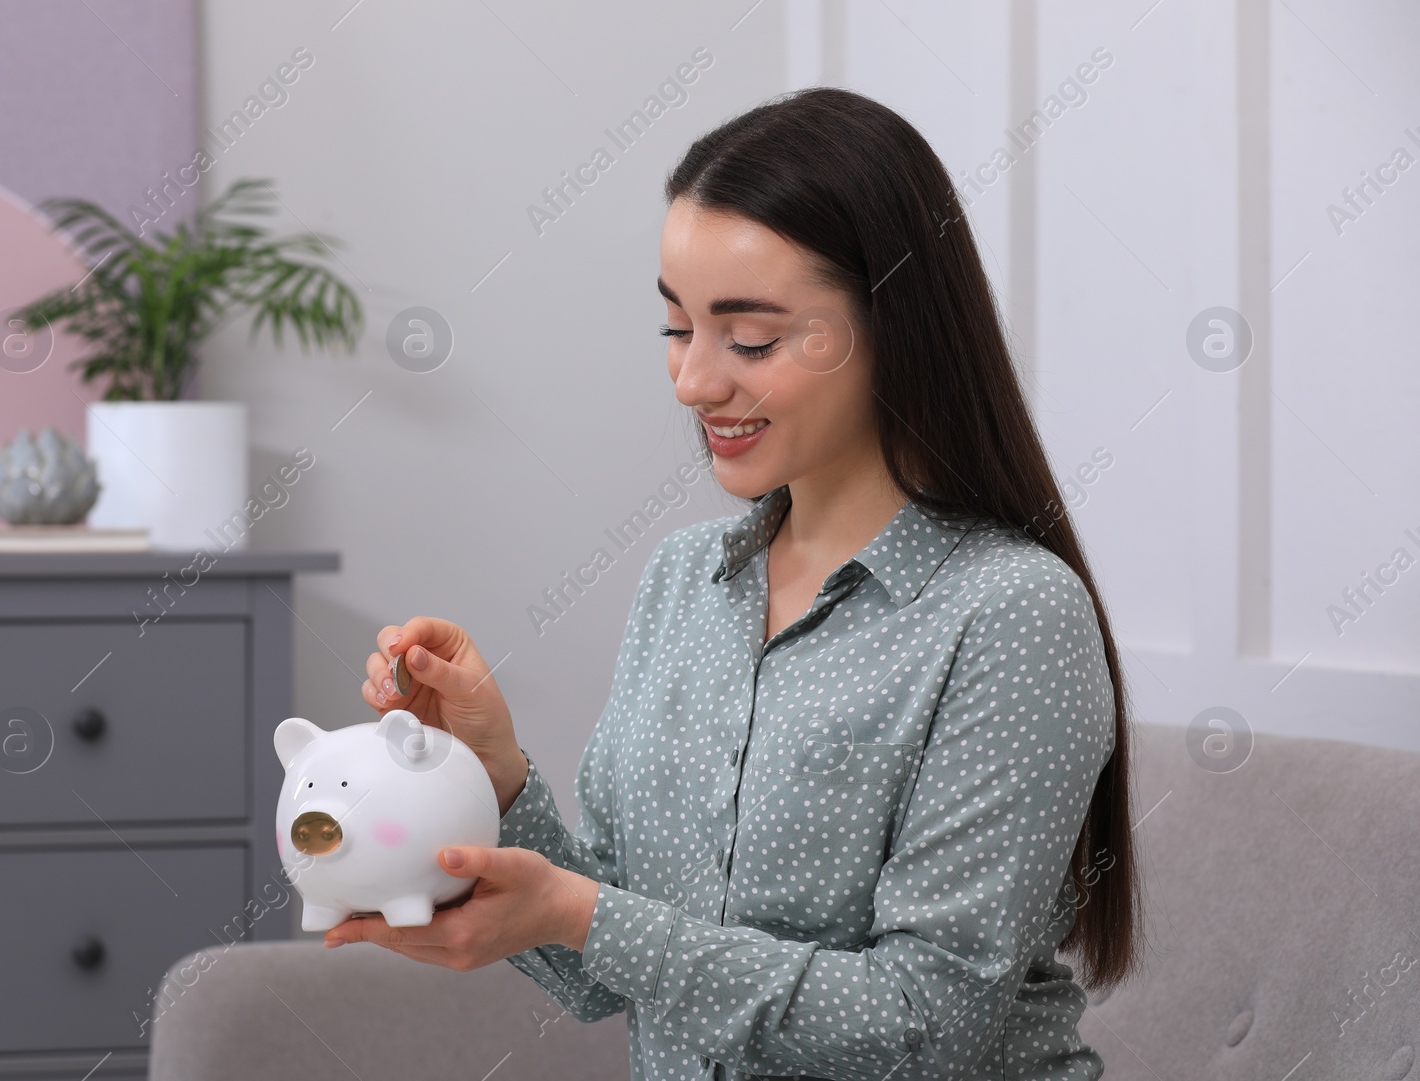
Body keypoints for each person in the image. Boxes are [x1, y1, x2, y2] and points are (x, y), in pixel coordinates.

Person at [325, 86, 1146, 1080]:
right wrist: (496, 773)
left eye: (747, 338)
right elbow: (608, 971)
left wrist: (581, 914)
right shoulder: (686, 581)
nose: (694, 381)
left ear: (892, 322)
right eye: (677, 329)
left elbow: (930, 1025)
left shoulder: (1008, 615)